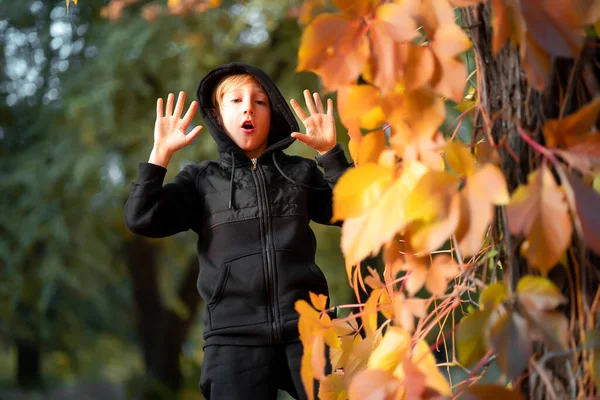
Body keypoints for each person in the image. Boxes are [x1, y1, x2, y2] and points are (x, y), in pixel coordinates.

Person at [124, 62, 352, 399]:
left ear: (272, 113)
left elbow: (353, 212)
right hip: (232, 340)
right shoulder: (200, 180)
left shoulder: (300, 173)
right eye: (235, 101)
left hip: (309, 330)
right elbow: (142, 217)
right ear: (216, 116)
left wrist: (329, 154)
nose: (249, 107)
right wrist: (161, 154)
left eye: (260, 101)